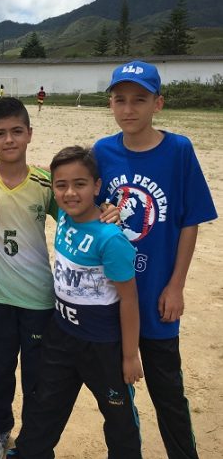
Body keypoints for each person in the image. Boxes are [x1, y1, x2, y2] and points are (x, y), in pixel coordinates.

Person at [0, 98, 119, 459]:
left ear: (30, 134)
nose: (9, 140)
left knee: (38, 376)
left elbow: (78, 208)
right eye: (0, 133)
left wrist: (107, 210)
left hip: (39, 300)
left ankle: (32, 438)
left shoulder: (46, 183)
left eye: (17, 131)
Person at [93, 60, 218, 459]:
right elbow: (93, 214)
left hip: (158, 295)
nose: (129, 109)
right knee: (118, 398)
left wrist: (176, 285)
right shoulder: (103, 151)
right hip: (114, 298)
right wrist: (103, 215)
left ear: (158, 103)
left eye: (139, 100)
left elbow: (189, 221)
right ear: (111, 104)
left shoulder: (178, 150)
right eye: (120, 100)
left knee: (169, 394)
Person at [10, 146, 143, 459]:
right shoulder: (65, 218)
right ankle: (30, 452)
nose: (70, 193)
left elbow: (129, 300)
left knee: (119, 418)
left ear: (97, 186)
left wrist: (129, 356)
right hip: (61, 335)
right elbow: (34, 174)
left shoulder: (111, 239)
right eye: (61, 185)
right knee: (45, 406)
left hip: (103, 348)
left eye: (80, 184)